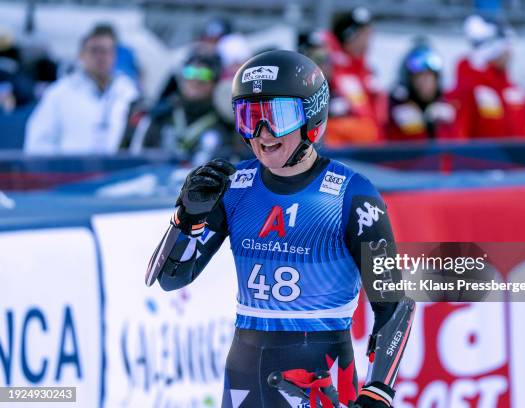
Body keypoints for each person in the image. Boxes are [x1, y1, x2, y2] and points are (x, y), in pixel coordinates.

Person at [146, 50, 415, 407]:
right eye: (248, 118)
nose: (262, 134)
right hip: (244, 378)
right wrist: (186, 219)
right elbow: (170, 278)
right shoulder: (234, 185)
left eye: (276, 118)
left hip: (322, 379)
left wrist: (377, 392)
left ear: (311, 117)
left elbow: (394, 305)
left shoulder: (353, 193)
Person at [24, 24, 138, 154]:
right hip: (71, 172)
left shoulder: (128, 92)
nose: (102, 57)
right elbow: (37, 144)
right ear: (81, 55)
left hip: (119, 171)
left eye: (107, 51)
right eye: (95, 50)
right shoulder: (59, 93)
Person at [126, 52, 240, 160]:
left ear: (215, 81)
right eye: (190, 72)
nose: (195, 79)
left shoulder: (226, 122)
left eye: (204, 74)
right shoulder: (160, 115)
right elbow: (137, 158)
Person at [449, 15, 525, 139]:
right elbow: (459, 138)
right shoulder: (469, 88)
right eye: (506, 49)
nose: (510, 54)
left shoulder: (513, 90)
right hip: (483, 158)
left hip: (519, 158)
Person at [325, 7, 387, 146]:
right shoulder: (331, 72)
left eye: (369, 34)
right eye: (362, 34)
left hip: (374, 155)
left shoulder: (368, 72)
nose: (368, 40)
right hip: (346, 157)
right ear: (349, 36)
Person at [387, 41, 460, 141]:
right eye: (420, 77)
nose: (426, 83)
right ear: (409, 80)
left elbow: (455, 151)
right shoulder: (393, 111)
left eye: (430, 77)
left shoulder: (445, 112)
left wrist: (439, 128)